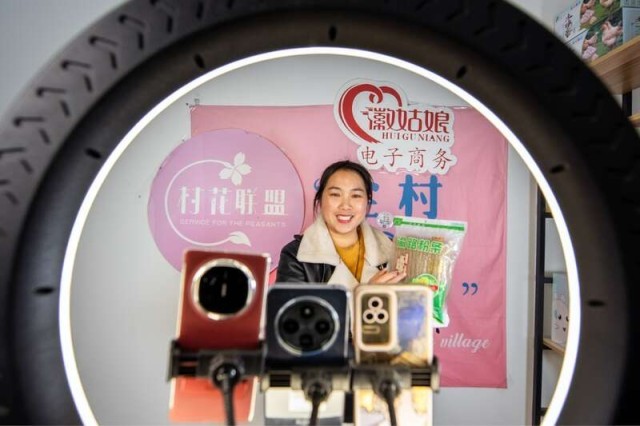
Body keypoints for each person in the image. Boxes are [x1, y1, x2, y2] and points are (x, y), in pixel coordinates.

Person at [276, 159, 406, 287]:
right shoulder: (295, 255)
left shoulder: (393, 251)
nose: (345, 205)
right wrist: (366, 294)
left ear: (367, 201)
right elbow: (292, 302)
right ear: (320, 199)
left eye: (356, 195)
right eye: (335, 194)